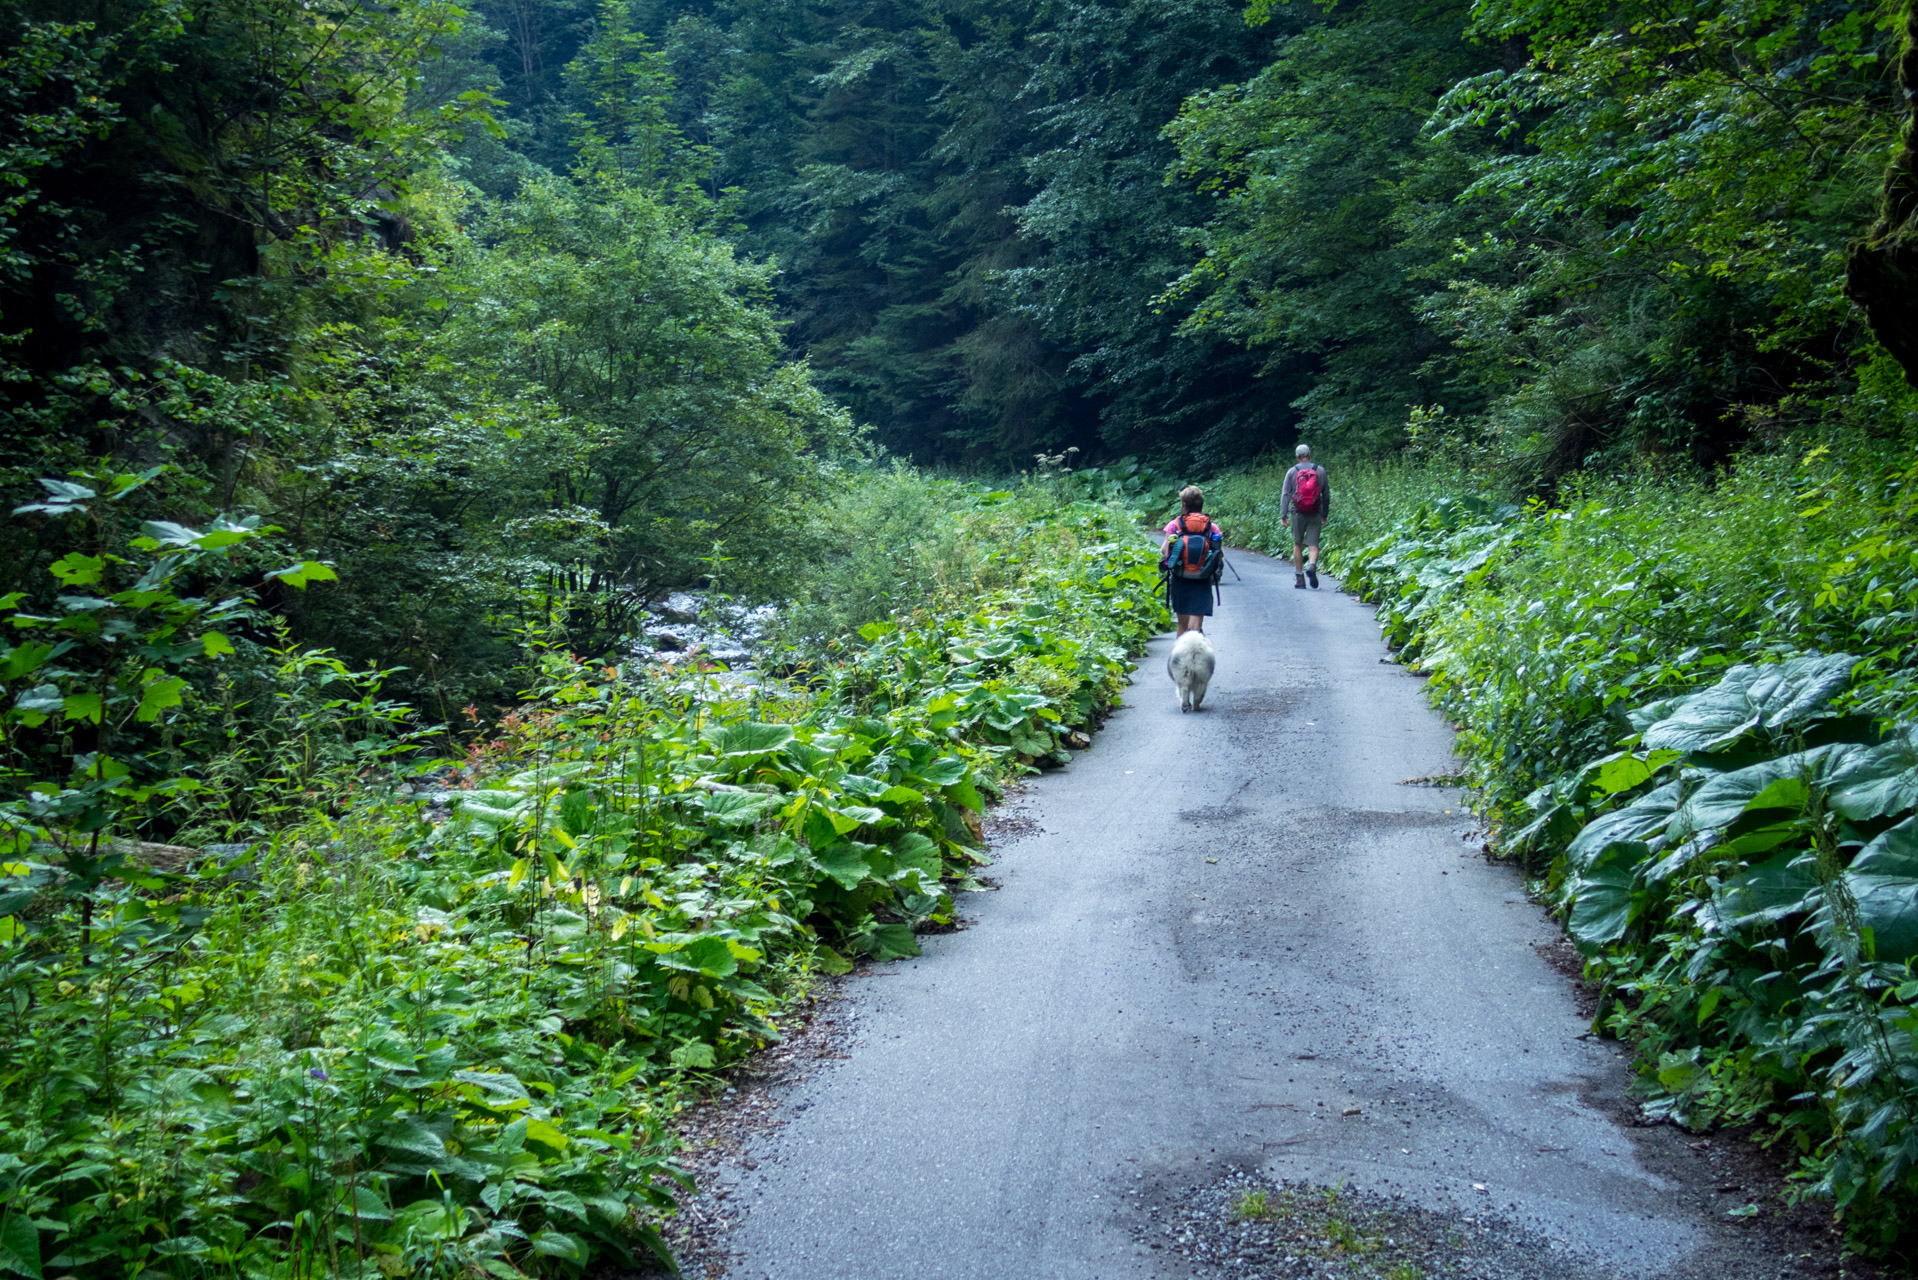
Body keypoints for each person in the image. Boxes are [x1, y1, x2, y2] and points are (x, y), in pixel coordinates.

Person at [1161, 485, 1224, 636]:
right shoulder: (1211, 527)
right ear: (1201, 505)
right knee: (1195, 626)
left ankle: (1181, 658)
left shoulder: (1174, 525)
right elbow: (1219, 554)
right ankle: (1195, 650)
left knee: (1182, 625)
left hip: (1180, 578)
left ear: (1183, 505)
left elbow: (1165, 552)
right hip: (1202, 578)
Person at [1280, 442, 1329, 589]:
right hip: (1315, 511)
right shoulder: (1320, 470)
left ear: (1297, 456)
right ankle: (1312, 565)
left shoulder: (1292, 472)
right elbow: (1326, 495)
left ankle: (1300, 578)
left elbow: (1286, 494)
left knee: (1298, 544)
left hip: (1297, 512)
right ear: (1309, 455)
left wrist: (1283, 515)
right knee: (1313, 545)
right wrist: (1324, 514)